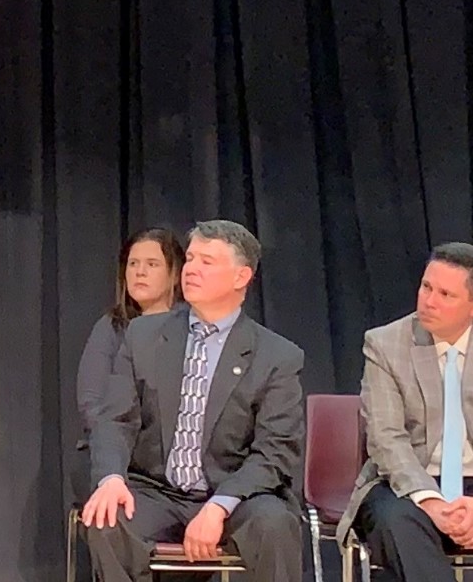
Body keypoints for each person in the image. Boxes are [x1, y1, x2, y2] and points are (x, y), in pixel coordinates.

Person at [80, 219, 304, 582]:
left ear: (241, 277)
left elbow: (276, 451)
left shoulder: (277, 356)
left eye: (207, 262)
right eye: (191, 259)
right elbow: (115, 419)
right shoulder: (144, 336)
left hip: (235, 494)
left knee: (275, 524)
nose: (191, 269)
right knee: (108, 519)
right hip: (156, 490)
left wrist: (219, 506)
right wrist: (110, 477)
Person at [338, 242, 473, 580]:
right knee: (397, 521)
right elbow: (386, 439)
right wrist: (431, 501)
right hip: (404, 484)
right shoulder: (385, 344)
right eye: (426, 287)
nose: (429, 301)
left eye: (446, 294)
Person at [74, 229, 184, 496]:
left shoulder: (193, 329)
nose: (139, 272)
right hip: (122, 461)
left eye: (152, 264)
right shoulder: (112, 328)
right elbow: (92, 402)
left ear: (175, 274)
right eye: (133, 264)